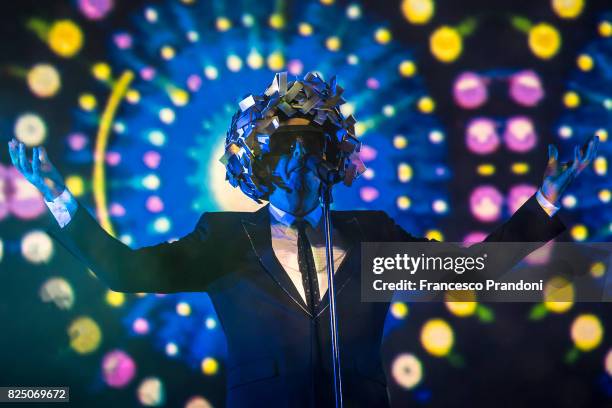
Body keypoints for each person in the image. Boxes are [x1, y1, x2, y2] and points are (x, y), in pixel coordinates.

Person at [7, 71, 599, 407]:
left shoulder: (371, 236)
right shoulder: (224, 238)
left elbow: (468, 278)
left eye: (311, 152)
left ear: (331, 162)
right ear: (262, 168)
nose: (299, 166)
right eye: (284, 153)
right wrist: (59, 198)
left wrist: (543, 201)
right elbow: (124, 272)